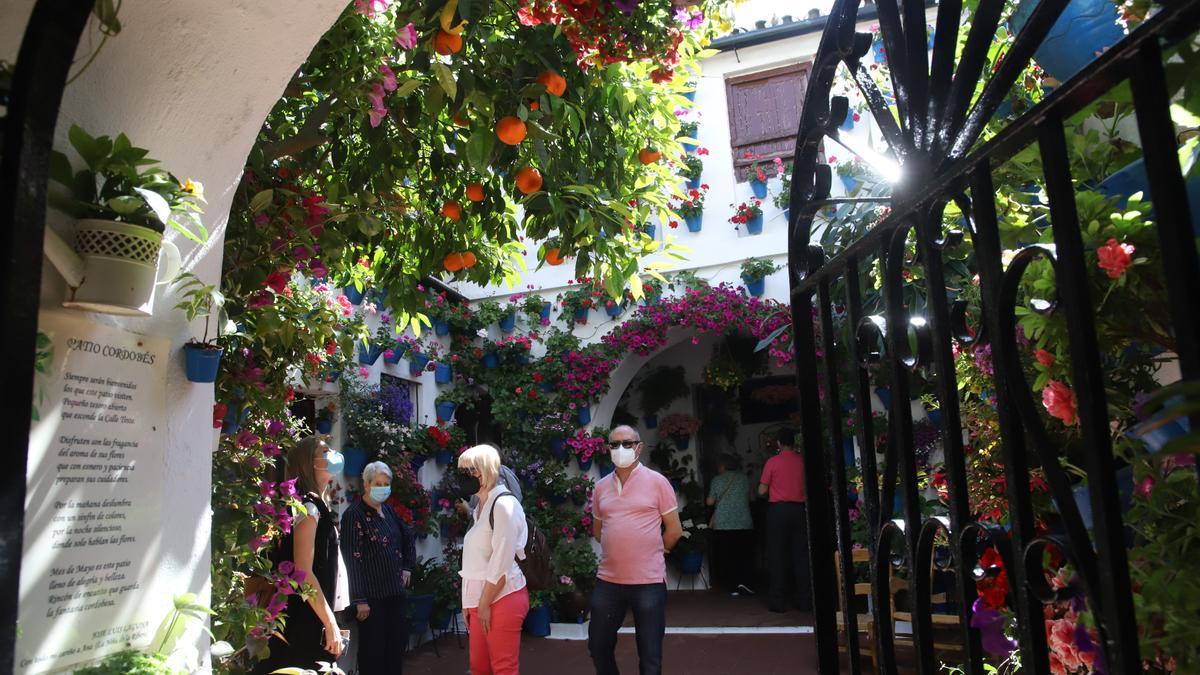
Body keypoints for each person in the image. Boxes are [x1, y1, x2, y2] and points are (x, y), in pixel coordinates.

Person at [589, 425, 683, 675]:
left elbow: (674, 530)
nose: (621, 449)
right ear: (608, 449)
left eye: (627, 443)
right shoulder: (600, 488)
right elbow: (598, 531)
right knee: (598, 645)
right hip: (608, 581)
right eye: (614, 444)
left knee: (650, 655)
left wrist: (656, 552)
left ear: (639, 447)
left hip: (648, 582)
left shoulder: (657, 482)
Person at [253, 436, 348, 674]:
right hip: (301, 620)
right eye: (325, 451)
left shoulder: (316, 507)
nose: (333, 454)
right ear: (309, 463)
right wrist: (330, 622)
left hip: (307, 616)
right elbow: (303, 572)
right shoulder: (309, 508)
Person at [458, 444, 530, 675]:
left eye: (469, 470)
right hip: (482, 600)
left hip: (502, 597)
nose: (464, 476)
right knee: (479, 668)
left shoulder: (504, 505)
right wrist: (468, 603)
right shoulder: (482, 507)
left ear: (485, 470)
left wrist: (483, 604)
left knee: (503, 668)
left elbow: (501, 562)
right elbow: (474, 562)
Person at [340, 461, 416, 675]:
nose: (382, 487)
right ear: (366, 484)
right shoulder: (354, 515)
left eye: (386, 483)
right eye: (377, 483)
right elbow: (351, 558)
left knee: (395, 648)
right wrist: (359, 599)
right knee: (373, 653)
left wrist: (407, 567)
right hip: (371, 599)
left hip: (394, 593)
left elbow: (407, 535)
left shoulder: (388, 511)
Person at [758, 427, 811, 613]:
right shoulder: (802, 462)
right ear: (794, 442)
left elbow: (762, 491)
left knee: (777, 554)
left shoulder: (772, 462)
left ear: (779, 443)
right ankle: (804, 600)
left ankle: (777, 601)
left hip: (778, 511)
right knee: (801, 555)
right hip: (799, 510)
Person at [707, 452, 755, 596]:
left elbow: (709, 501)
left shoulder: (717, 480)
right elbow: (752, 498)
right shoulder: (744, 478)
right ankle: (744, 582)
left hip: (723, 523)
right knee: (744, 554)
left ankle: (733, 587)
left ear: (722, 465)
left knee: (727, 555)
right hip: (743, 521)